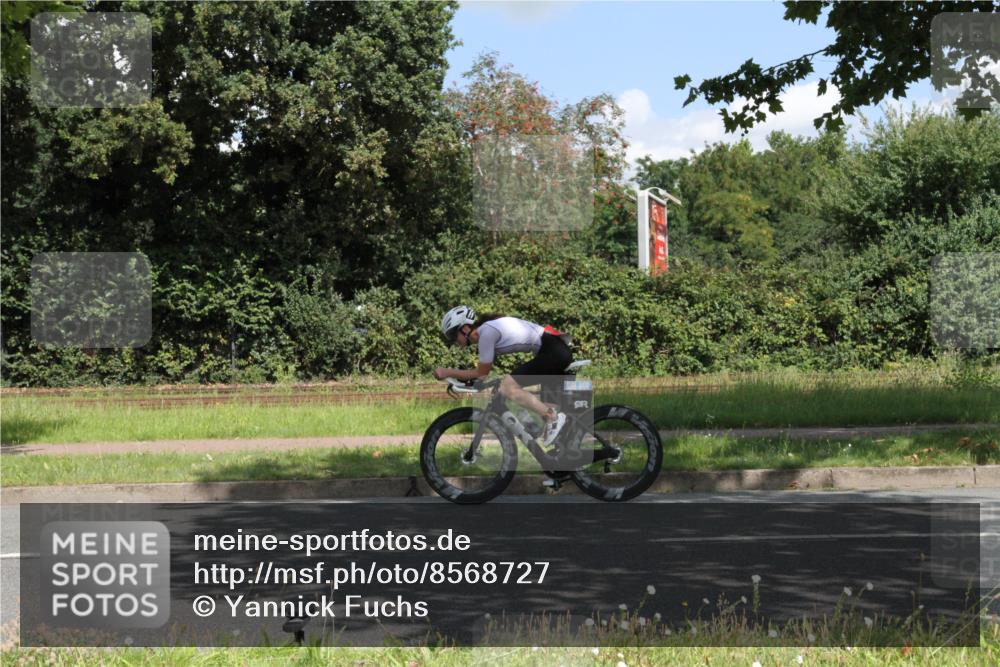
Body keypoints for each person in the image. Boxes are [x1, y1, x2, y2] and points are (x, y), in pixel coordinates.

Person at [434, 305, 571, 446]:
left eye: (452, 335)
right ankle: (563, 454)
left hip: (553, 351)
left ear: (464, 329)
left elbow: (481, 374)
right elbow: (480, 376)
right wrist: (458, 382)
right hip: (553, 350)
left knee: (507, 387)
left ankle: (551, 417)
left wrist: (447, 372)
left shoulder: (486, 333)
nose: (453, 341)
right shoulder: (487, 330)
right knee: (543, 412)